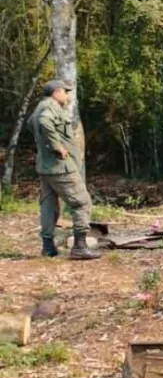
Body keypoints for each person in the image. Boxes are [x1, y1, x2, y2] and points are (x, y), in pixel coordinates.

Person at [27, 80, 100, 260]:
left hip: (46, 166)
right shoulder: (50, 108)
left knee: (49, 206)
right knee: (82, 202)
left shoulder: (39, 107)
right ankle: (80, 247)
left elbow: (31, 124)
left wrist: (45, 146)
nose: (67, 96)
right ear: (56, 92)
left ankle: (48, 246)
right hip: (61, 167)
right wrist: (56, 146)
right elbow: (45, 122)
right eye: (65, 92)